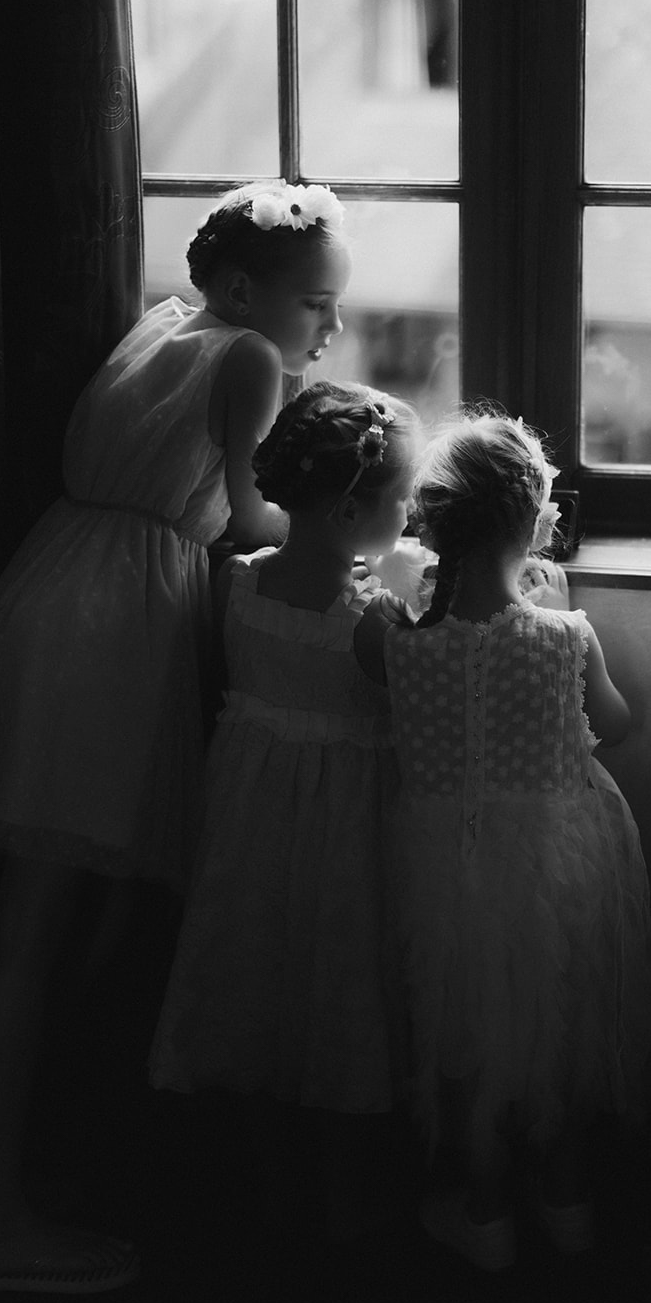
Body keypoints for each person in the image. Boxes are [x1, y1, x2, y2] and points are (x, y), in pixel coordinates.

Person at [0, 180, 350, 1292]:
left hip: (58, 587)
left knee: (96, 901)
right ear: (248, 289)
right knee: (39, 920)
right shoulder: (248, 358)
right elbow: (257, 516)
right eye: (317, 304)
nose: (329, 330)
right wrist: (354, 527)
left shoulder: (163, 322)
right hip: (112, 627)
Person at [355, 412, 651, 1272]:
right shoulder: (565, 635)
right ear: (534, 524)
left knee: (463, 1029)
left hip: (441, 863)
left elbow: (384, 681)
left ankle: (484, 1212)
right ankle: (565, 1202)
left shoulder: (389, 641)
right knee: (550, 1027)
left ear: (433, 525)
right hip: (557, 858)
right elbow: (621, 725)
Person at [149, 381, 419, 1238]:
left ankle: (270, 1184)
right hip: (345, 828)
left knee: (256, 974)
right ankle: (342, 1196)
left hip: (248, 818)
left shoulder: (236, 582)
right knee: (340, 983)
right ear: (351, 511)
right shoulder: (374, 620)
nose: (410, 513)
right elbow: (410, 724)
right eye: (402, 499)